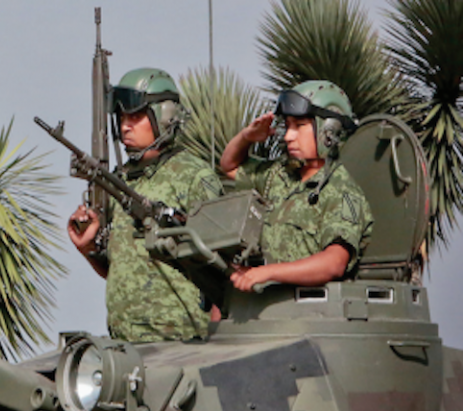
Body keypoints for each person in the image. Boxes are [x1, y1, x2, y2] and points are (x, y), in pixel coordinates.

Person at [68, 68, 223, 342]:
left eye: (136, 116)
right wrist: (88, 248)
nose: (126, 125)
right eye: (122, 117)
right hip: (124, 344)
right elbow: (121, 270)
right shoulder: (120, 181)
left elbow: (222, 267)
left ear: (164, 117)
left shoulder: (194, 177)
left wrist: (219, 342)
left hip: (182, 343)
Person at [219, 80, 373, 292]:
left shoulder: (341, 191)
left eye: (299, 126)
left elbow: (334, 263)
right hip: (267, 309)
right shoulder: (279, 175)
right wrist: (246, 137)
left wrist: (269, 272)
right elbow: (229, 166)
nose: (288, 136)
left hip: (311, 315)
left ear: (329, 131)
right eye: (288, 126)